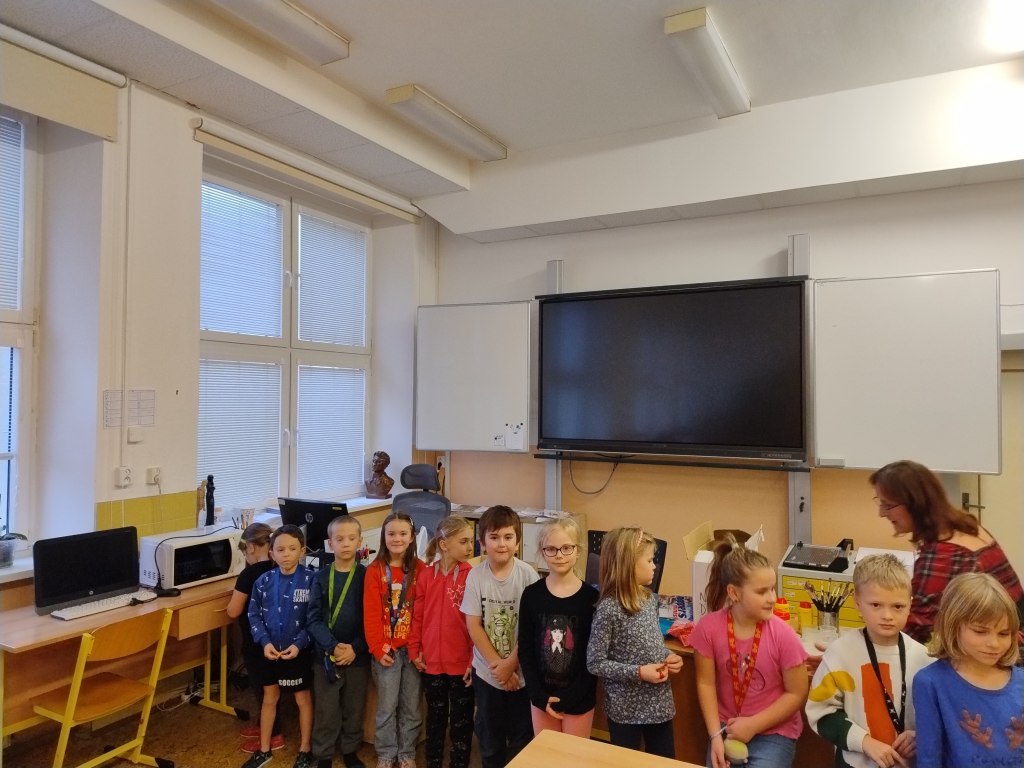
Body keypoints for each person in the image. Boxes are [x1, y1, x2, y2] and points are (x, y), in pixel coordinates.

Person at [871, 459, 1024, 644]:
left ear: (915, 503)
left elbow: (915, 629)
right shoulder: (968, 527)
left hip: (1004, 648)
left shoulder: (944, 554)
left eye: (888, 505)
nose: (882, 513)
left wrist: (864, 646)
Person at [806, 554, 934, 768]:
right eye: (876, 605)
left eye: (898, 606)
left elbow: (938, 717)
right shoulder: (840, 654)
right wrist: (864, 742)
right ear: (857, 602)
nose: (887, 615)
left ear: (910, 605)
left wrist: (919, 735)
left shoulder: (924, 658)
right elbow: (821, 714)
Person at [691, 534, 808, 768]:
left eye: (772, 589)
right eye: (762, 592)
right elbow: (706, 683)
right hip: (726, 729)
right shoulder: (708, 629)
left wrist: (753, 725)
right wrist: (715, 736)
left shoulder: (783, 635)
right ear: (734, 593)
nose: (772, 598)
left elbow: (796, 693)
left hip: (774, 732)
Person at [586, 527, 683, 758]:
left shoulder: (649, 599)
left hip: (659, 705)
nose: (654, 566)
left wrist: (668, 656)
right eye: (649, 560)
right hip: (625, 712)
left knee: (664, 761)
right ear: (628, 564)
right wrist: (639, 673)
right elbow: (595, 663)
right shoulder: (609, 609)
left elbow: (651, 643)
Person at [912, 572, 1024, 768]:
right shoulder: (930, 683)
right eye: (980, 631)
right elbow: (929, 758)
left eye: (1003, 633)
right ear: (953, 626)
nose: (994, 643)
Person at [460, 505, 540, 768]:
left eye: (508, 537)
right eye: (494, 537)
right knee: (490, 739)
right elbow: (474, 625)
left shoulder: (528, 575)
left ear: (518, 542)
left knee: (521, 737)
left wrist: (510, 665)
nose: (501, 544)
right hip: (488, 674)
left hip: (521, 674)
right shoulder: (475, 576)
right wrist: (499, 667)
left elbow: (531, 628)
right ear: (482, 543)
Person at [518, 517, 598, 738]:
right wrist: (538, 695)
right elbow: (525, 648)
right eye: (551, 549)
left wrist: (571, 698)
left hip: (579, 700)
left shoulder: (592, 599)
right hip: (541, 698)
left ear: (578, 550)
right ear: (542, 552)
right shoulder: (531, 595)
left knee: (574, 755)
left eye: (566, 548)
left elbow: (593, 657)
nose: (559, 555)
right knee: (546, 754)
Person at [245, 524, 317, 768]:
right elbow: (254, 615)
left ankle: (305, 749)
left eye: (292, 549)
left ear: (302, 551)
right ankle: (264, 749)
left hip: (298, 653)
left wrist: (299, 644)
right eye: (281, 549)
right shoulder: (263, 581)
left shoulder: (311, 580)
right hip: (269, 652)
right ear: (271, 554)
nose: (286, 554)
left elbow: (314, 618)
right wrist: (264, 642)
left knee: (302, 698)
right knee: (269, 698)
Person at [409, 515, 476, 768]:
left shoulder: (472, 576)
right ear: (444, 545)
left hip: (461, 665)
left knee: (461, 721)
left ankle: (459, 763)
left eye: (471, 541)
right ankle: (433, 762)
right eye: (464, 541)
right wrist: (415, 649)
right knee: (435, 718)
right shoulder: (426, 576)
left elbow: (476, 624)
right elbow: (417, 616)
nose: (470, 547)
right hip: (432, 664)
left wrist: (472, 660)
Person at [362, 511, 425, 768]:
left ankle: (407, 752)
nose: (397, 539)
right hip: (386, 650)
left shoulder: (421, 570)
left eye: (402, 534)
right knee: (387, 707)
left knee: (411, 706)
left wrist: (419, 648)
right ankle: (387, 754)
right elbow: (371, 615)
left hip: (412, 650)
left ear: (412, 538)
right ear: (383, 537)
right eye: (391, 534)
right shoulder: (374, 570)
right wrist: (378, 648)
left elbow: (423, 613)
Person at [307, 515, 370, 768]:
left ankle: (350, 751)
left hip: (357, 655)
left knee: (354, 707)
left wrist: (355, 648)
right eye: (339, 539)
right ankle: (323, 754)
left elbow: (372, 619)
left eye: (351, 538)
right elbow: (313, 620)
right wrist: (333, 646)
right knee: (326, 708)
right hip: (326, 656)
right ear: (330, 543)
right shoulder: (321, 577)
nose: (345, 543)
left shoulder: (367, 576)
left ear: (360, 542)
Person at [226, 523, 286, 754]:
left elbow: (233, 611)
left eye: (244, 553)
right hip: (278, 638)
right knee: (271, 688)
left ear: (250, 548)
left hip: (256, 642)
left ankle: (274, 734)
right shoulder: (279, 567)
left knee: (264, 690)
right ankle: (264, 725)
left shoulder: (249, 574)